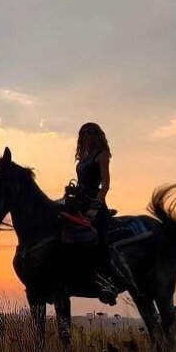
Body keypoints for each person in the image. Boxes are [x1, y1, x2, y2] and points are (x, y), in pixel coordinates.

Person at [74, 122, 126, 305]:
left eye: (90, 132)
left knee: (98, 236)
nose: (86, 135)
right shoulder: (83, 158)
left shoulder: (101, 156)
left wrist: (96, 206)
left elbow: (105, 185)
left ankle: (108, 281)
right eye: (83, 132)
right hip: (78, 202)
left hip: (95, 203)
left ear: (97, 135)